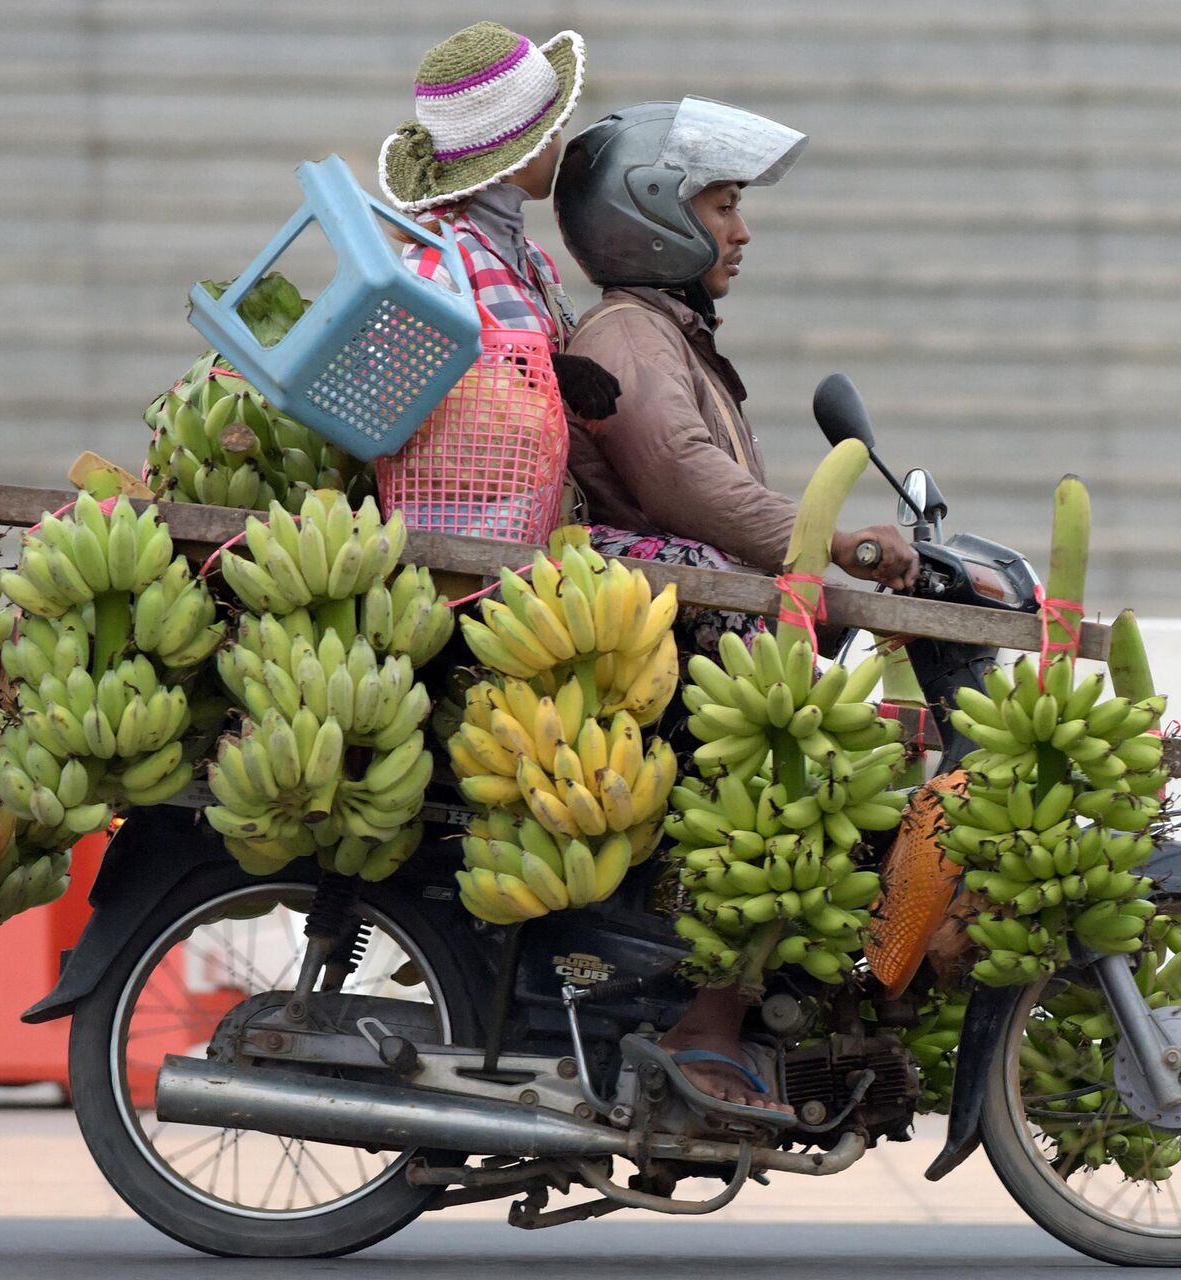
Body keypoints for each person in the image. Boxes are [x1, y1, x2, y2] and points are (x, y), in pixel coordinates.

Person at [551, 99, 920, 1117]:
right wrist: (835, 540)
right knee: (795, 771)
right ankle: (708, 1024)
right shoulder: (629, 333)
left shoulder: (665, 333)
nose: (741, 231)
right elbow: (682, 478)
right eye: (722, 206)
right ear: (655, 214)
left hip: (689, 606)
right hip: (663, 620)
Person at [378, 21, 620, 422]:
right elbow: (399, 388)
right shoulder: (439, 262)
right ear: (518, 155)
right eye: (552, 131)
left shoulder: (531, 259)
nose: (558, 143)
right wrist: (546, 372)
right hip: (462, 485)